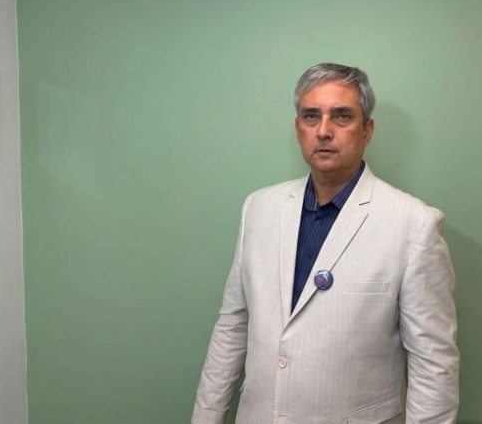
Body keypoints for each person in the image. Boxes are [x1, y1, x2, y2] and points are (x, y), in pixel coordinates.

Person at [192, 63, 459, 423]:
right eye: (311, 116)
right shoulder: (258, 208)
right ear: (298, 128)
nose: (323, 130)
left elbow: (433, 367)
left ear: (367, 131)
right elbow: (232, 327)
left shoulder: (414, 225)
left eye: (342, 116)